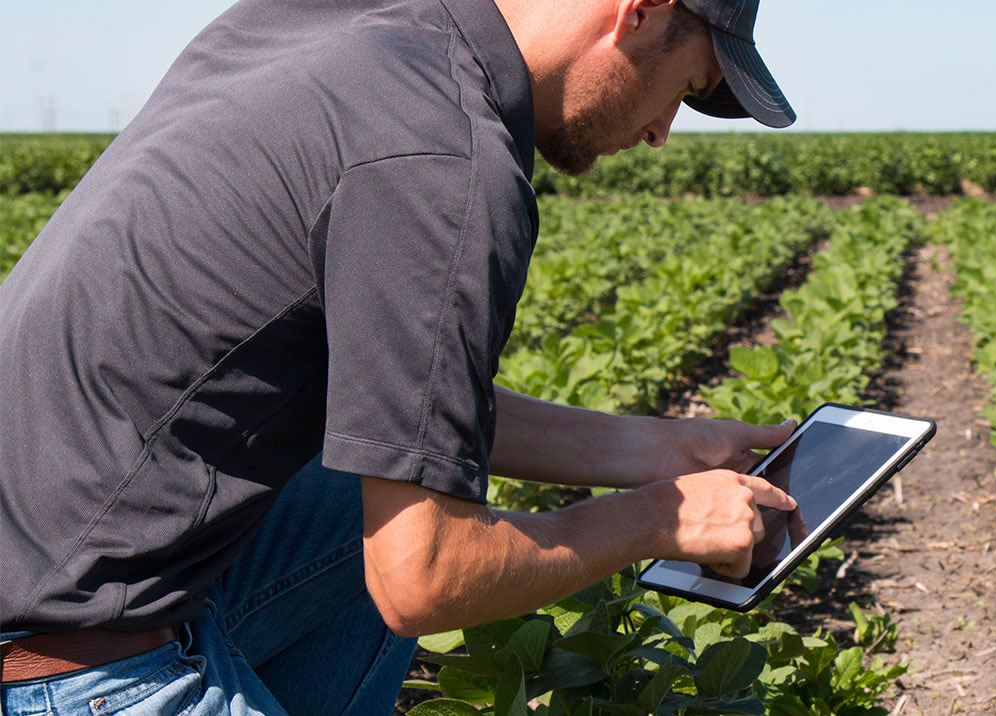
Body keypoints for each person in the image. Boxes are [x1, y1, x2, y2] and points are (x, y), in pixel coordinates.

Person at [0, 0, 799, 711]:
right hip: (67, 664)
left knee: (367, 487)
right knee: (418, 533)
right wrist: (661, 517)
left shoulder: (324, 26)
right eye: (686, 90)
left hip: (47, 563)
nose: (662, 133)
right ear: (640, 11)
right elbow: (425, 576)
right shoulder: (449, 159)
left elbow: (401, 419)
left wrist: (660, 450)